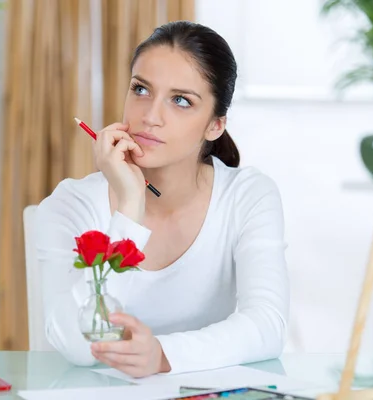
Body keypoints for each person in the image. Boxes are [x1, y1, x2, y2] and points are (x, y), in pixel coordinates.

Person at [35, 20, 289, 378]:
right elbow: (77, 346)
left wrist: (162, 356)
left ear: (215, 125)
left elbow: (267, 325)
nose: (150, 117)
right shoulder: (70, 205)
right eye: (140, 90)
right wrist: (129, 209)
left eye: (181, 101)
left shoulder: (247, 196)